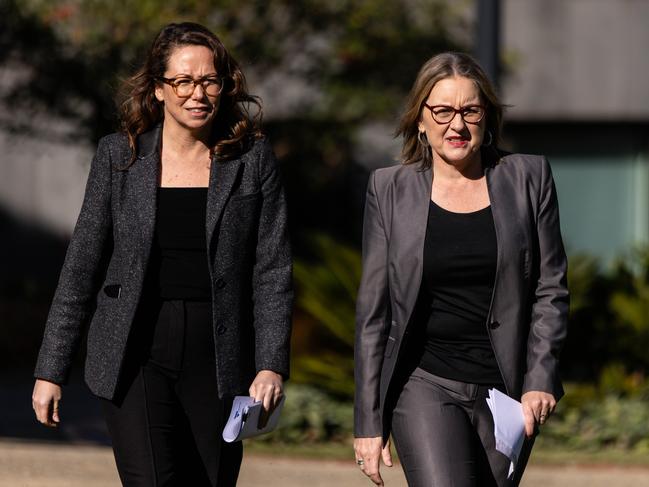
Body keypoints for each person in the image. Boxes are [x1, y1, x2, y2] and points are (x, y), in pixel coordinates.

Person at [31, 22, 292, 486]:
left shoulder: (251, 159)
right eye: (183, 82)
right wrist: (51, 369)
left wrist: (270, 363)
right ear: (158, 89)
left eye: (209, 81)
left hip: (219, 354)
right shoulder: (119, 157)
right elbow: (81, 267)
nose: (198, 94)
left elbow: (271, 270)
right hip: (135, 350)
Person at [353, 52, 569, 487]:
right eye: (442, 111)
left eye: (470, 110)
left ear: (486, 117)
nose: (457, 124)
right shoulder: (389, 190)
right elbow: (373, 314)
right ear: (420, 120)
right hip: (424, 380)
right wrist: (368, 420)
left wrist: (539, 379)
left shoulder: (529, 178)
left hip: (506, 392)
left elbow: (551, 288)